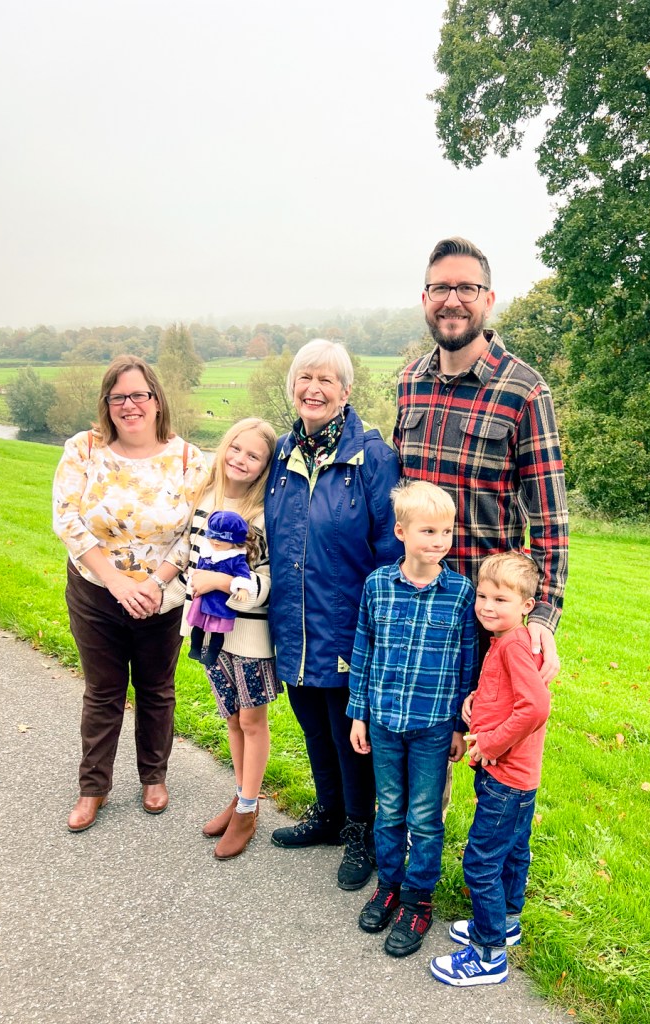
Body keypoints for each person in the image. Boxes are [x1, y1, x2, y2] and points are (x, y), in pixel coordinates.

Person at [394, 236, 568, 682]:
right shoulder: (409, 382)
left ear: (488, 300)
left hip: (483, 617)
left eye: (466, 289)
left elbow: (550, 518)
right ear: (425, 299)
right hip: (412, 611)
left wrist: (543, 614)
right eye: (440, 288)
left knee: (486, 729)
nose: (452, 301)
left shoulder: (524, 390)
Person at [264, 338, 403, 891]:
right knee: (313, 724)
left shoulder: (372, 458)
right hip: (294, 620)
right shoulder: (282, 453)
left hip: (348, 624)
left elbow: (390, 547)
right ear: (292, 387)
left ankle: (360, 831)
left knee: (351, 735)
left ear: (345, 391)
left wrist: (381, 626)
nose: (314, 389)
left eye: (326, 380)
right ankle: (328, 813)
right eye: (305, 378)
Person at [53, 355, 206, 832]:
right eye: (118, 396)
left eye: (139, 394)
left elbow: (195, 533)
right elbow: (67, 519)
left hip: (162, 597)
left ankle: (153, 777)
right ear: (107, 404)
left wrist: (155, 583)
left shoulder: (189, 459)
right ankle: (93, 787)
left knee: (157, 689)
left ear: (157, 400)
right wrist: (117, 582)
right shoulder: (84, 449)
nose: (129, 405)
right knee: (103, 691)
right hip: (96, 593)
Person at [348, 481, 478, 958]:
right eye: (428, 531)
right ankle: (389, 885)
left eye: (446, 531)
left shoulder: (460, 593)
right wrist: (358, 714)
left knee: (424, 817)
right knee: (389, 811)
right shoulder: (377, 586)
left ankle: (417, 899)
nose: (439, 540)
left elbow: (467, 664)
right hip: (384, 721)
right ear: (401, 532)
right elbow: (363, 651)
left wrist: (461, 727)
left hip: (434, 727)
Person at [429, 551, 550, 987]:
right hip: (518, 778)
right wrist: (477, 700)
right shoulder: (506, 640)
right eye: (482, 596)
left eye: (500, 599)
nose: (486, 606)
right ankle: (506, 921)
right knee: (514, 850)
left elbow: (535, 706)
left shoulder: (514, 645)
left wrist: (491, 744)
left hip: (506, 776)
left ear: (526, 606)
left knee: (481, 862)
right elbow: (506, 692)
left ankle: (488, 954)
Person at [181, 417, 280, 860]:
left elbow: (267, 586)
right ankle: (242, 795)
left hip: (250, 636)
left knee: (252, 722)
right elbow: (189, 560)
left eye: (253, 455)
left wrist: (221, 584)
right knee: (232, 719)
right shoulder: (205, 499)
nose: (240, 459)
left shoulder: (263, 518)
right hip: (210, 632)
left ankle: (247, 810)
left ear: (265, 466)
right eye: (235, 448)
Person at [186, 510, 256, 667]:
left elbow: (244, 576)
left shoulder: (235, 559)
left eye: (222, 538)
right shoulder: (206, 553)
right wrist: (194, 583)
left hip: (220, 602)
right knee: (198, 626)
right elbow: (198, 570)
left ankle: (212, 655)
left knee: (217, 631)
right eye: (212, 536)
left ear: (235, 541)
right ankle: (195, 648)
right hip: (203, 598)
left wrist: (243, 589)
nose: (215, 541)